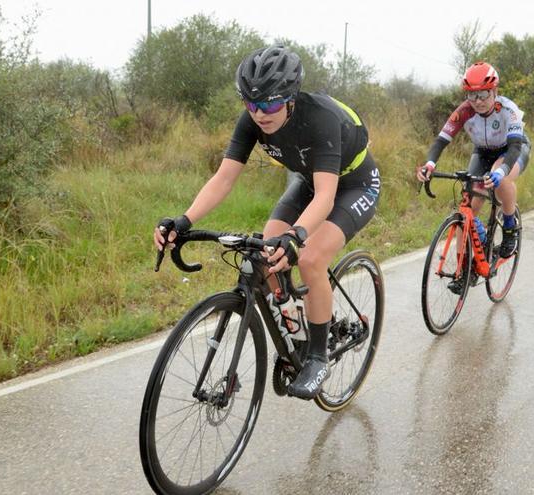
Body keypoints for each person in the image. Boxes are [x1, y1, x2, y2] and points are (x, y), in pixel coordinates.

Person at [153, 45, 380, 400]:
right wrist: (184, 219)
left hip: (353, 185)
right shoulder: (252, 120)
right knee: (266, 252)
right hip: (308, 181)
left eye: (271, 104)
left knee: (309, 258)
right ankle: (296, 324)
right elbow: (224, 178)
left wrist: (298, 237)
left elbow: (325, 197)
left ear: (290, 99)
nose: (261, 114)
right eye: (252, 104)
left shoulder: (319, 118)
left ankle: (318, 356)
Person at [415, 61, 530, 293]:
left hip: (512, 151)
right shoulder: (464, 111)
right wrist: (429, 163)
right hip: (482, 153)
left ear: (495, 91)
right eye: (472, 95)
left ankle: (509, 229)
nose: (477, 101)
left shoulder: (508, 110)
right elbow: (441, 141)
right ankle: (464, 269)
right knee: (467, 210)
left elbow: (515, 147)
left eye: (483, 95)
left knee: (501, 180)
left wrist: (500, 172)